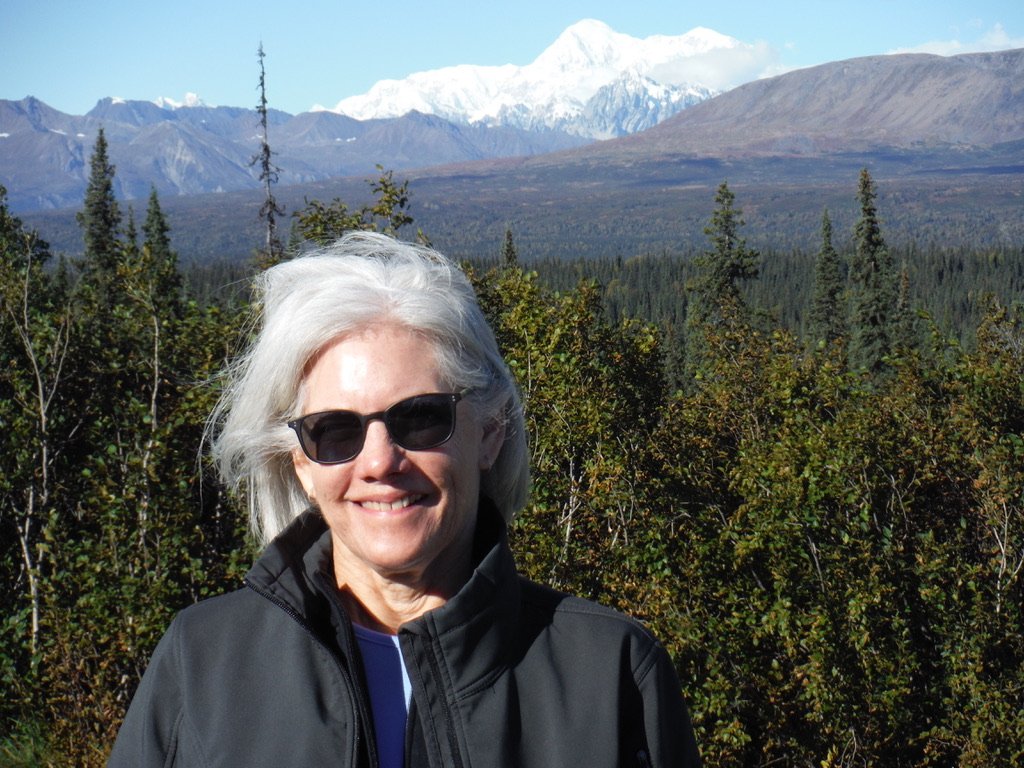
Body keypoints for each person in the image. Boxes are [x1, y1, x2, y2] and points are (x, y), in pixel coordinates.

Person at [108, 231, 700, 767]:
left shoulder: (611, 673)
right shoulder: (204, 663)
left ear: (489, 433)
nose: (379, 463)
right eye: (334, 431)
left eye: (420, 419)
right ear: (301, 464)